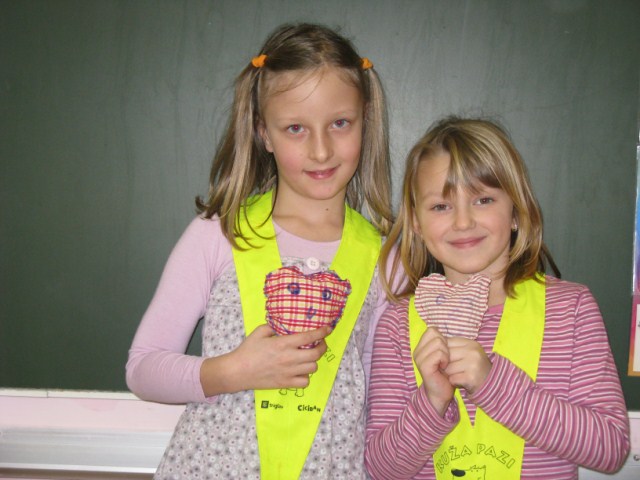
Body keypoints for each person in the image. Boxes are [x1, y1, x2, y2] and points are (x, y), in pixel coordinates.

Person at [125, 22, 394, 479]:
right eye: (295, 128)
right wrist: (234, 371)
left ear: (365, 121)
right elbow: (144, 369)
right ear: (264, 133)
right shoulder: (219, 234)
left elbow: (374, 404)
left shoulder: (386, 260)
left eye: (340, 123)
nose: (321, 150)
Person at [364, 117, 630, 479]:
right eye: (441, 206)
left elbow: (610, 448)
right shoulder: (397, 326)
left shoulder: (571, 310)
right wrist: (432, 400)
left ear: (516, 211)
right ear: (416, 224)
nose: (463, 222)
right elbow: (382, 471)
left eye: (483, 200)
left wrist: (493, 385)